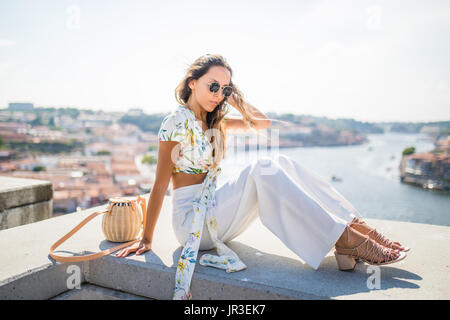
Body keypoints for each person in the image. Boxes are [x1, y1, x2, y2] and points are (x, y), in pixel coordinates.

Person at [115, 54, 409, 299]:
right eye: (212, 86)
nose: (218, 94)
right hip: (192, 222)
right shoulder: (174, 123)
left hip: (217, 214)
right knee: (260, 169)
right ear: (192, 83)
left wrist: (234, 98)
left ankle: (352, 228)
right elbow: (160, 183)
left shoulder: (216, 121)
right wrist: (147, 238)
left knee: (278, 161)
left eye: (224, 89)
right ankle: (345, 238)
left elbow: (262, 123)